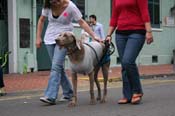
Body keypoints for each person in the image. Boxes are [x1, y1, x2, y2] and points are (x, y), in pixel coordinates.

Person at [36, 0, 100, 105]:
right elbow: (41, 20)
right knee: (58, 67)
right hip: (49, 38)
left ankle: (50, 96)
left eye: (55, 1)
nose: (53, 3)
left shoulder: (70, 6)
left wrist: (94, 36)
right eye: (51, 1)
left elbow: (82, 22)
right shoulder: (47, 6)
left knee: (55, 66)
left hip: (65, 40)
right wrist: (38, 37)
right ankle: (68, 93)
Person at [106, 0, 153, 104]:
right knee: (124, 64)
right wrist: (108, 35)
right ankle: (127, 95)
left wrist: (149, 31)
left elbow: (144, 12)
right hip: (120, 33)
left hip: (137, 31)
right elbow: (114, 16)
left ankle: (137, 91)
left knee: (128, 61)